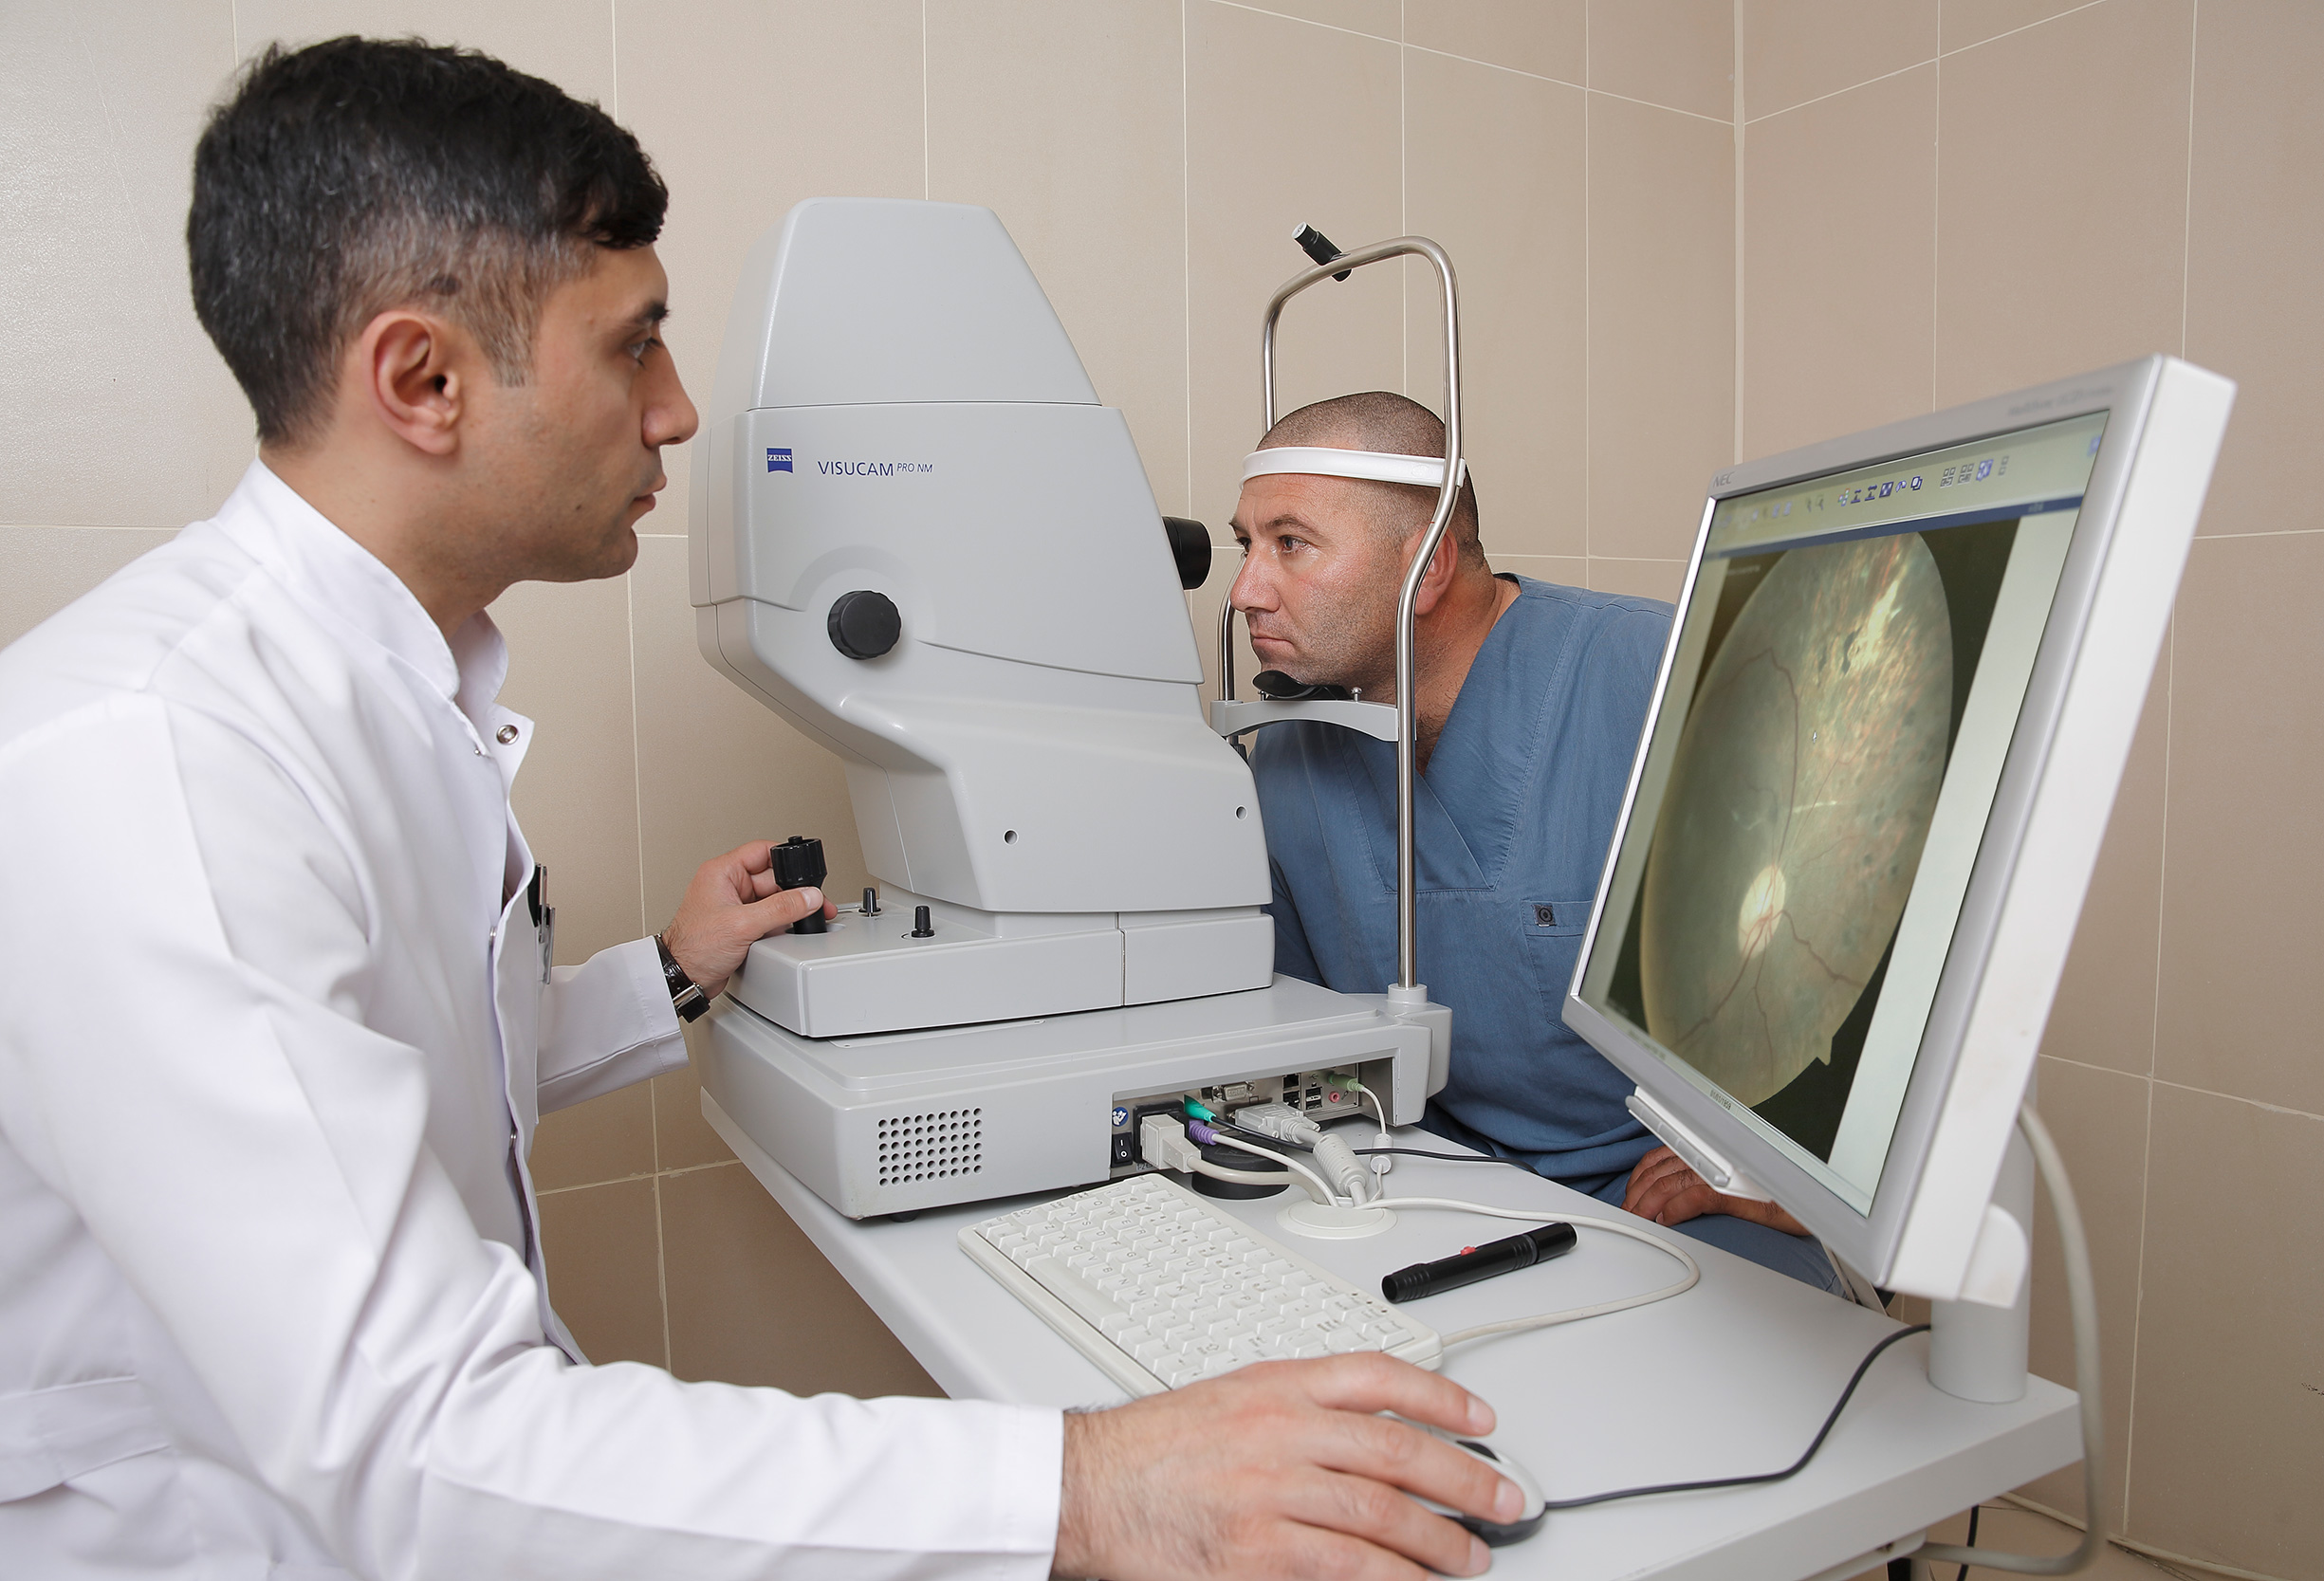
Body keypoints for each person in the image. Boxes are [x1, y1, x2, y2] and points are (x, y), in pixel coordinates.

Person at [0, 39, 1526, 1580]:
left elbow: (407, 1063)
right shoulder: (158, 762)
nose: (678, 413)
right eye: (634, 348)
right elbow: (421, 1448)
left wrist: (669, 973)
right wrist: (1092, 1488)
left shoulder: (378, 696)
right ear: (423, 380)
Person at [1229, 392, 1840, 1294]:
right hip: (1430, 1185)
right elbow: (1292, 1039)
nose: (1245, 589)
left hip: (1660, 1186)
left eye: (1291, 543)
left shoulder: (1655, 674)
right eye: (1245, 544)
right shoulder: (1289, 756)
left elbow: (1866, 921)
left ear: (1428, 564)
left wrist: (1796, 1174)